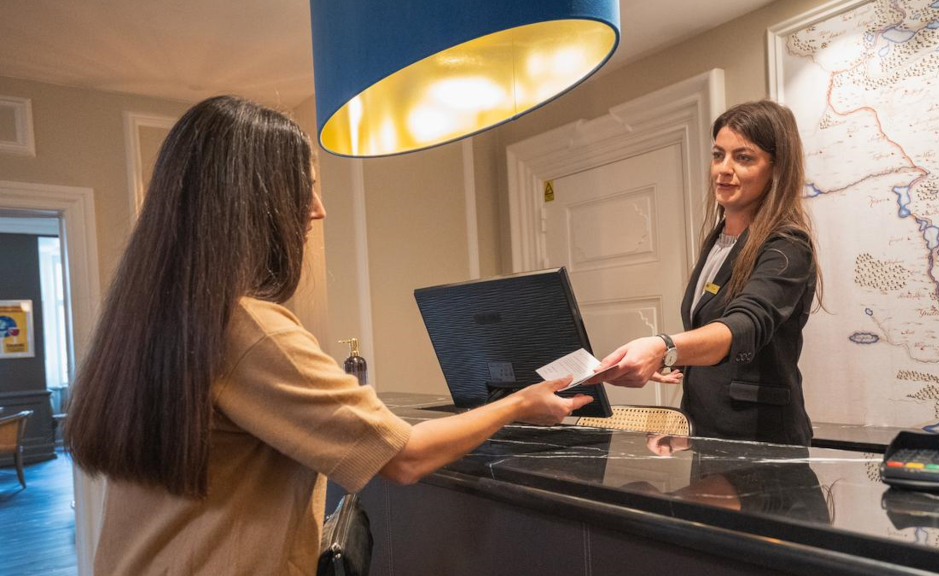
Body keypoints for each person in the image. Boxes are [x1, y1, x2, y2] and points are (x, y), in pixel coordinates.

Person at [64, 95, 590, 576]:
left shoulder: (154, 318)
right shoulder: (249, 328)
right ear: (253, 199)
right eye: (304, 186)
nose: (317, 208)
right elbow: (404, 457)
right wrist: (520, 403)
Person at [596, 100, 822, 446]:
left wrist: (664, 347)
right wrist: (677, 369)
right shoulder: (719, 240)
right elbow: (718, 350)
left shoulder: (787, 244)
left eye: (743, 158)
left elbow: (743, 327)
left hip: (763, 444)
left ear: (776, 169)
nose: (723, 170)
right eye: (719, 155)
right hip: (708, 435)